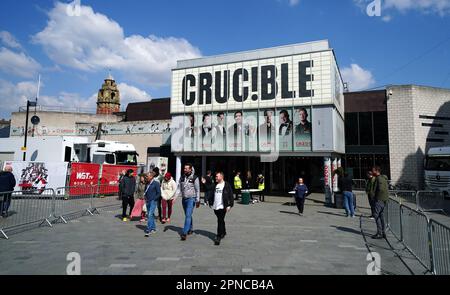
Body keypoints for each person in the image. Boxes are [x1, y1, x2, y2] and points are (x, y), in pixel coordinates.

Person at [176, 163, 200, 241]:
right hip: (184, 199)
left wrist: (198, 200)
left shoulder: (195, 178)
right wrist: (175, 197)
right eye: (184, 168)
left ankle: (184, 232)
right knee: (187, 215)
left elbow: (197, 190)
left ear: (190, 169)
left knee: (188, 215)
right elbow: (179, 188)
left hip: (191, 199)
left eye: (186, 168)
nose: (185, 170)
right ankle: (190, 228)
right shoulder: (182, 177)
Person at [208, 172, 234, 246]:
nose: (215, 178)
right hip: (215, 206)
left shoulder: (226, 185)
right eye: (215, 176)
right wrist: (210, 203)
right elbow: (211, 194)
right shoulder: (215, 185)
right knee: (221, 220)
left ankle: (218, 236)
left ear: (221, 177)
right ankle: (224, 232)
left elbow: (231, 196)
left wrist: (230, 205)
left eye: (217, 176)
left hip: (223, 207)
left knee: (220, 220)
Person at [371, 166, 389, 239]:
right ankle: (383, 232)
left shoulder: (379, 178)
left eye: (373, 171)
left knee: (376, 215)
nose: (372, 172)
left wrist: (375, 196)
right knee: (381, 216)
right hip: (383, 200)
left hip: (379, 200)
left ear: (377, 171)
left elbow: (381, 189)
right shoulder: (382, 178)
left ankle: (380, 232)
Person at [144, 172, 161, 237]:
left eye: (147, 176)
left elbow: (159, 193)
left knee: (149, 215)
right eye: (146, 176)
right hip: (147, 201)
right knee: (151, 215)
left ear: (151, 177)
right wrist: (145, 197)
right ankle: (153, 228)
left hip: (153, 201)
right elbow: (146, 191)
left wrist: (154, 199)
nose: (146, 177)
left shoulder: (156, 183)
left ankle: (149, 229)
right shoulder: (147, 183)